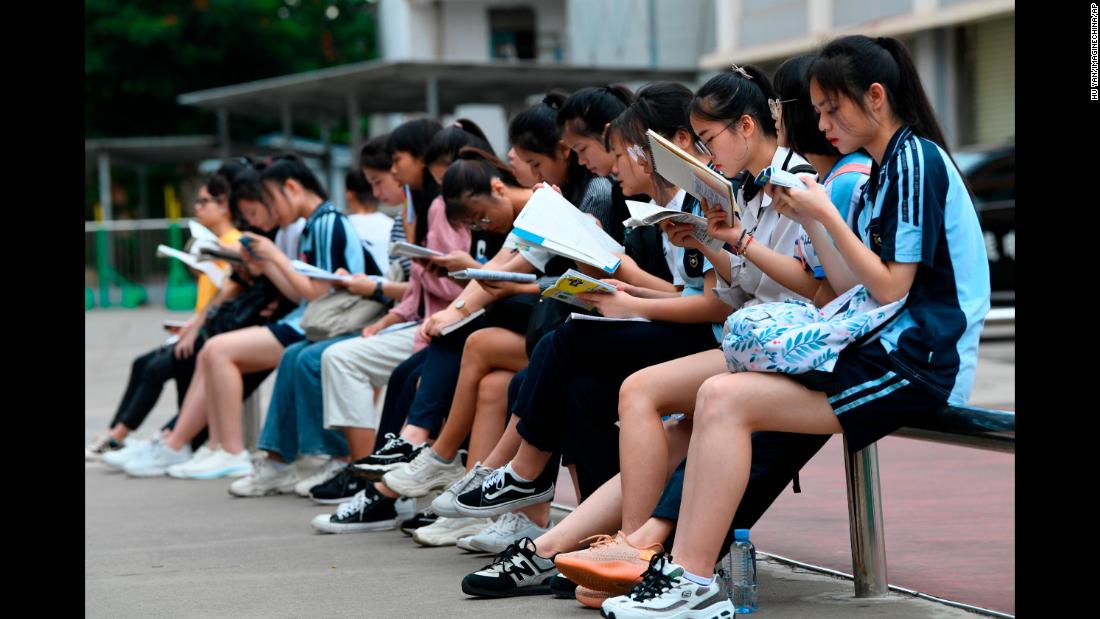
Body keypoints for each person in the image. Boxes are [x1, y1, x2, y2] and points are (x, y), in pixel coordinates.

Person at [601, 37, 990, 619]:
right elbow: (848, 286)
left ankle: (688, 576)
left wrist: (823, 215)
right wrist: (806, 224)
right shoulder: (885, 167)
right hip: (880, 344)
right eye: (815, 110)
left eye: (830, 109)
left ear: (876, 98)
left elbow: (889, 289)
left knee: (727, 401)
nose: (821, 123)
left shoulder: (913, 161)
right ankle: (689, 577)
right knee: (718, 394)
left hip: (918, 361)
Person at [123, 155, 364, 478]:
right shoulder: (314, 223)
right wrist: (266, 265)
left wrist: (273, 258)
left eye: (270, 202)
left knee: (217, 349)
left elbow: (316, 294)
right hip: (308, 321)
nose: (274, 212)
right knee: (214, 349)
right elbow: (302, 293)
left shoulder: (323, 223)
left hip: (322, 324)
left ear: (290, 188)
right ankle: (215, 448)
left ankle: (227, 450)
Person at [86, 171, 243, 460]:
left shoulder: (233, 244)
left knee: (158, 368)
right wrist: (191, 324)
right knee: (144, 363)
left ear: (224, 205)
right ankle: (121, 435)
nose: (197, 208)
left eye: (204, 201)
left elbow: (229, 292)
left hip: (216, 331)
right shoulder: (213, 243)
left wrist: (197, 327)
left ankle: (165, 437)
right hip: (202, 327)